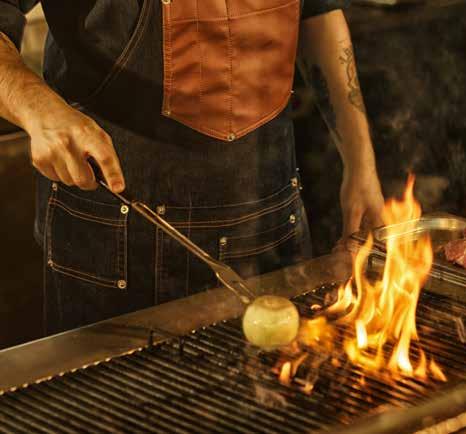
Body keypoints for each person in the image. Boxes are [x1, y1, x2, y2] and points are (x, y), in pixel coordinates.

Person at [0, 0, 384, 335]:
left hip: (270, 222)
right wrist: (38, 108)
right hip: (120, 235)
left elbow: (316, 10)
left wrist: (360, 163)